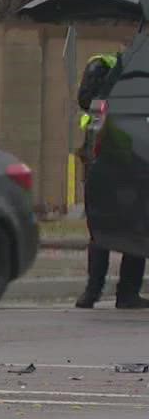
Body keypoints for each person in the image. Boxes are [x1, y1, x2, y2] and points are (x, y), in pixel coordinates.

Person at [73, 50, 143, 308]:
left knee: (101, 228)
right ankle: (126, 294)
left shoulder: (109, 66)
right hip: (129, 160)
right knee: (137, 227)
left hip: (99, 159)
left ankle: (91, 292)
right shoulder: (133, 74)